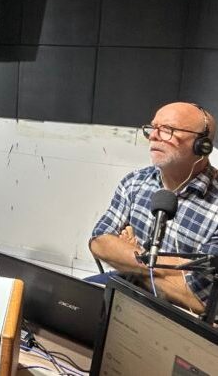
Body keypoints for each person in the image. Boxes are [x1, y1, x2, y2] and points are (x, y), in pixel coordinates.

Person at [90, 102, 218, 315]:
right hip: (126, 287)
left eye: (167, 130)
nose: (153, 137)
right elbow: (99, 241)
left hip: (182, 314)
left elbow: (202, 299)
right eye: (152, 128)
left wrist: (128, 257)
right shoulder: (135, 182)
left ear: (202, 145)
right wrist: (171, 267)